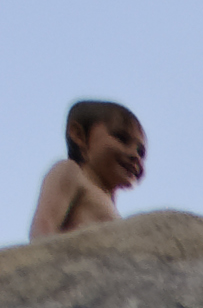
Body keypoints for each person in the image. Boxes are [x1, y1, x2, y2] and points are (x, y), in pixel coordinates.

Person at [29, 100, 147, 239]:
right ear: (79, 135)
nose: (135, 155)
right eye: (122, 138)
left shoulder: (111, 208)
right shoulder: (71, 172)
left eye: (140, 152)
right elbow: (44, 225)